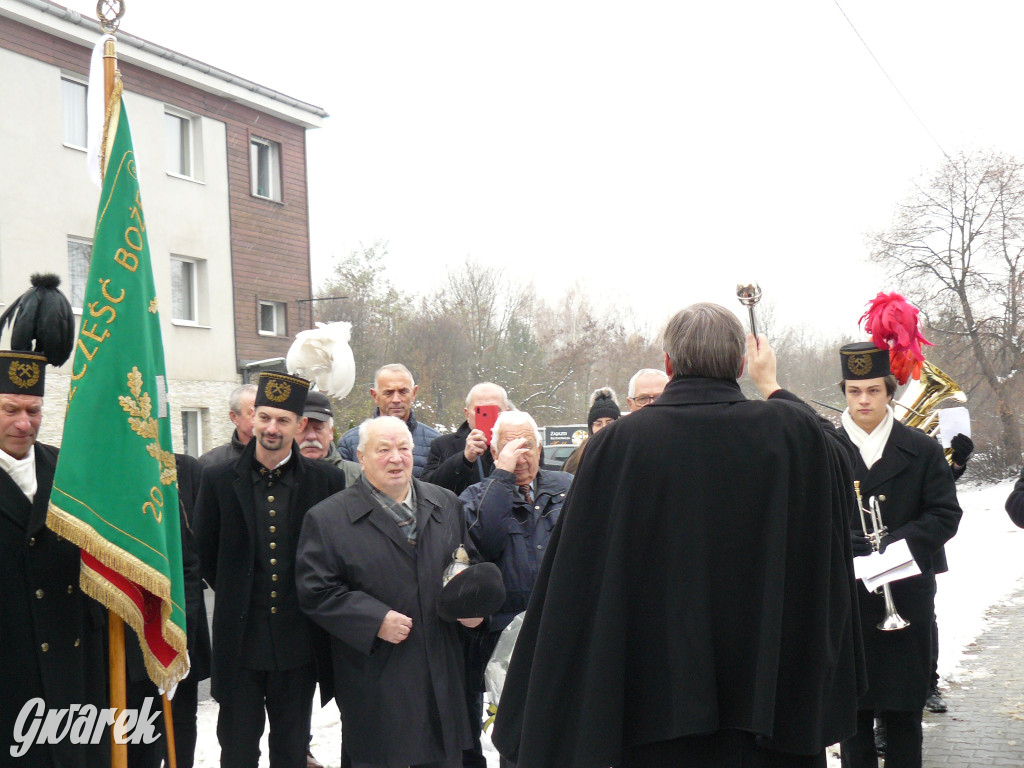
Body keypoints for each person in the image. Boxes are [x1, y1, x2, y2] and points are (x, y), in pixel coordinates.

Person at [492, 302, 865, 768]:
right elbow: (845, 458)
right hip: (770, 713)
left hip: (653, 714)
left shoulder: (617, 446)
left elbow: (576, 580)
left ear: (670, 365)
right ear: (739, 363)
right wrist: (772, 385)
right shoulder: (791, 433)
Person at [296, 415, 484, 768]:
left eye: (403, 449)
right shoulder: (328, 518)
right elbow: (315, 591)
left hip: (440, 669)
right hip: (378, 673)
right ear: (362, 457)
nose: (396, 458)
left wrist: (472, 605)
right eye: (383, 450)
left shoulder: (446, 504)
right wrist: (373, 618)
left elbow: (466, 563)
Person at [197, 372, 346, 768]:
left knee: (293, 751)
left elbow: (336, 555)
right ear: (251, 419)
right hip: (240, 643)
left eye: (282, 420)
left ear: (299, 426)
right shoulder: (215, 478)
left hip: (298, 645)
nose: (271, 428)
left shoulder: (327, 480)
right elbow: (205, 552)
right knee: (238, 750)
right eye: (263, 417)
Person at [835, 341, 962, 768]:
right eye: (855, 391)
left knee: (905, 715)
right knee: (853, 720)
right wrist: (842, 541)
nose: (864, 400)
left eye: (873, 390)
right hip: (847, 601)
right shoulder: (826, 448)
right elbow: (802, 516)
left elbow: (946, 514)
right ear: (845, 393)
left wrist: (892, 544)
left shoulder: (921, 448)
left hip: (907, 597)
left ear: (889, 392)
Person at [0, 348, 109, 768]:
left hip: (73, 664)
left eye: (33, 410)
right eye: (10, 409)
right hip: (12, 669)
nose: (24, 423)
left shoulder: (67, 471)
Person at [337, 364, 439, 477]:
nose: (396, 399)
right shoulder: (350, 442)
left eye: (403, 392)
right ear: (375, 396)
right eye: (388, 393)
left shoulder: (436, 444)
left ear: (414, 393)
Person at [421, 381, 512, 496]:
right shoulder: (443, 445)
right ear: (467, 414)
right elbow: (427, 490)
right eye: (481, 410)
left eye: (496, 410)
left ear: (507, 413)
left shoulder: (523, 442)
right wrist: (464, 459)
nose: (489, 415)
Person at [300, 389, 362, 486]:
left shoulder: (358, 477)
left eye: (318, 428)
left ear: (331, 432)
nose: (311, 436)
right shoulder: (279, 474)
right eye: (304, 429)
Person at [562, 386, 620, 474]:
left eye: (609, 423)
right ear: (591, 427)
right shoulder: (578, 457)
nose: (604, 427)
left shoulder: (628, 451)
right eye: (598, 424)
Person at [200, 383, 257, 467]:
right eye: (252, 414)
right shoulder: (211, 463)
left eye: (264, 415)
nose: (259, 420)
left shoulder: (279, 458)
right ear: (234, 417)